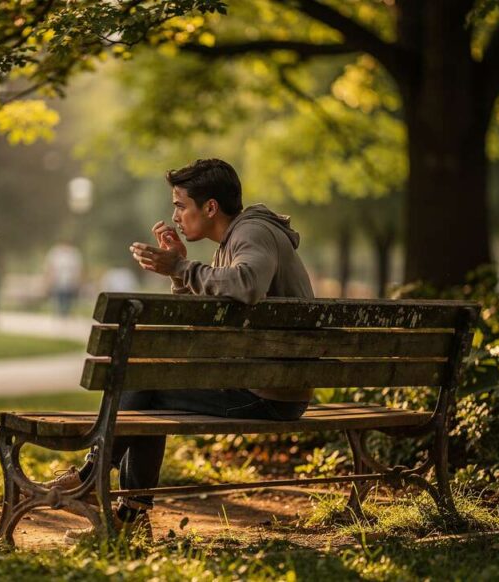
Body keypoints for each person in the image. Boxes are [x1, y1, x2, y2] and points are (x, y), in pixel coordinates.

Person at [51, 158, 315, 541]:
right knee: (150, 382)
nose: (174, 215)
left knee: (148, 383)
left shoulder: (251, 234)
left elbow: (245, 285)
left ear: (210, 207)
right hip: (271, 385)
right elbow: (212, 321)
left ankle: (103, 489)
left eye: (180, 204)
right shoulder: (234, 242)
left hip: (269, 394)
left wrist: (181, 269)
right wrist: (181, 270)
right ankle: (125, 508)